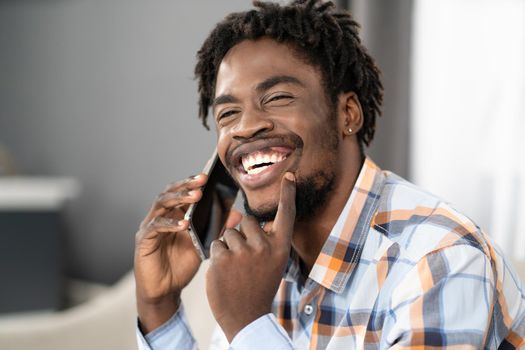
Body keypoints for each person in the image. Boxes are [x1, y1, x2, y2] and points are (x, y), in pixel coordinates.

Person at [134, 1, 525, 349]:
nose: (244, 127)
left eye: (277, 98)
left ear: (348, 114)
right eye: (228, 114)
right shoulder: (259, 263)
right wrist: (158, 308)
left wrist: (250, 324)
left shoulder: (438, 259)